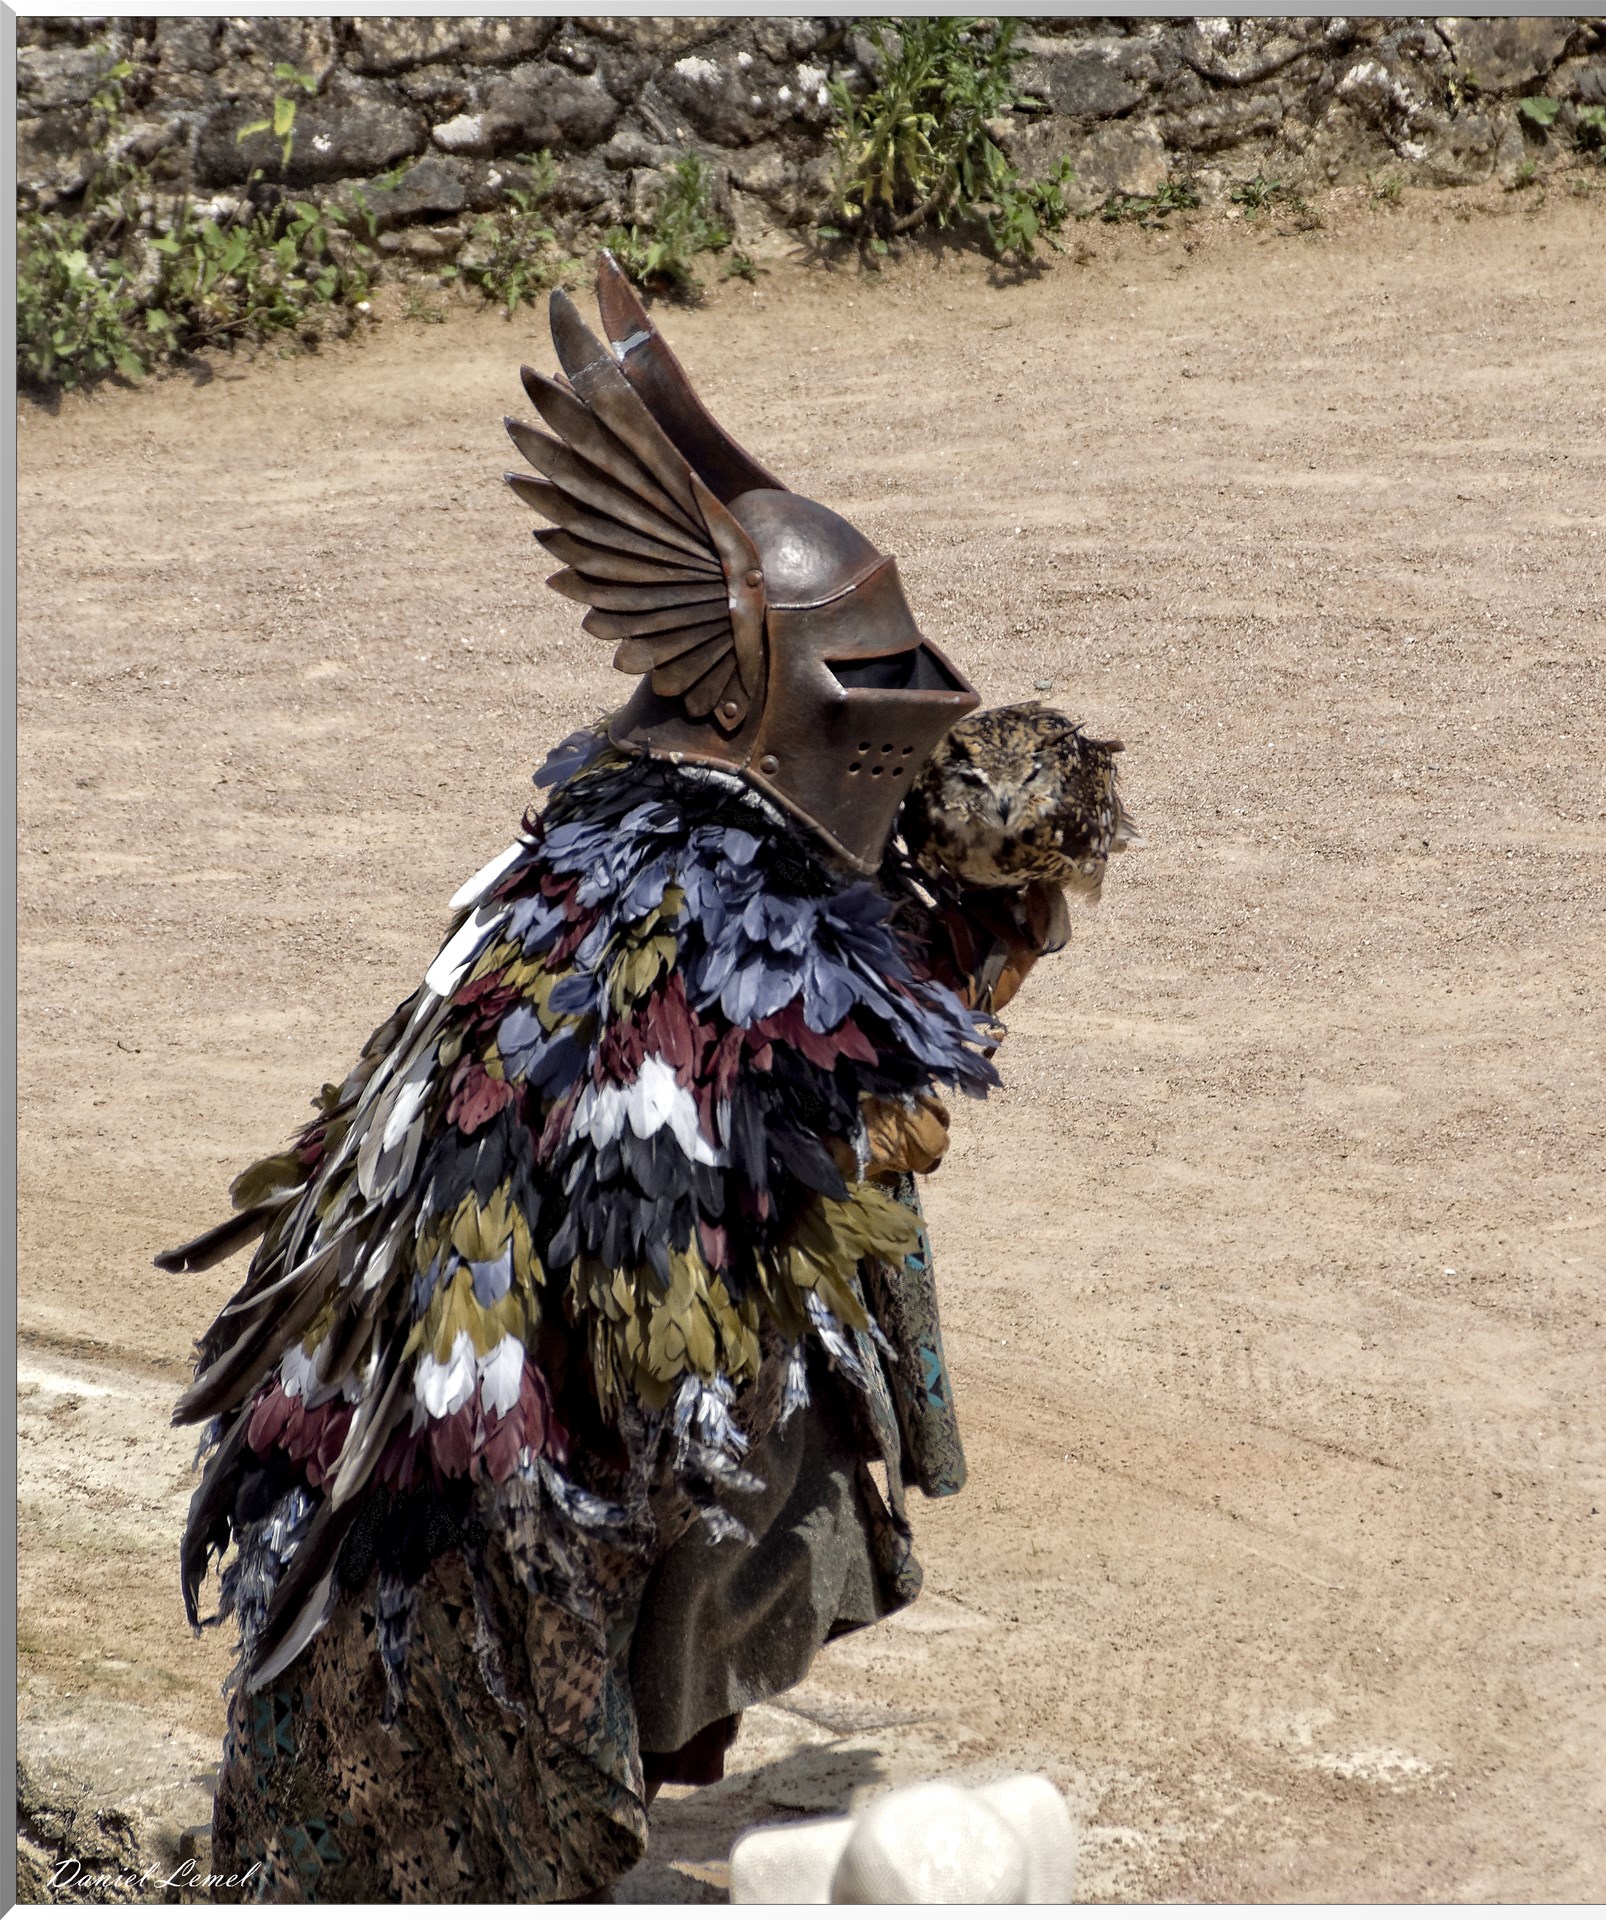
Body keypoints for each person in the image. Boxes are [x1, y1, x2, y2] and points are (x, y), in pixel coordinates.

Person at [160, 260, 1058, 1901]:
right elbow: (730, 1207)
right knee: (708, 1422)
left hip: (577, 1330)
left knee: (797, 1343)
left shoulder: (665, 847)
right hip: (484, 1424)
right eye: (864, 675)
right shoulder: (672, 913)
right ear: (753, 697)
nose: (905, 706)